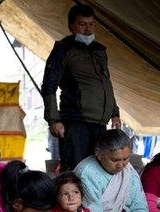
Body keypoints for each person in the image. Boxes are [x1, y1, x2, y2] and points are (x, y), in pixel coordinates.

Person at [41, 4, 120, 171]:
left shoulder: (99, 50)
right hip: (76, 122)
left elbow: (106, 83)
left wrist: (115, 113)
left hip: (99, 123)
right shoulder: (63, 49)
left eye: (91, 24)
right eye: (82, 24)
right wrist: (54, 120)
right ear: (71, 26)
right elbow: (49, 84)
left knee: (98, 170)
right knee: (77, 171)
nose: (88, 29)